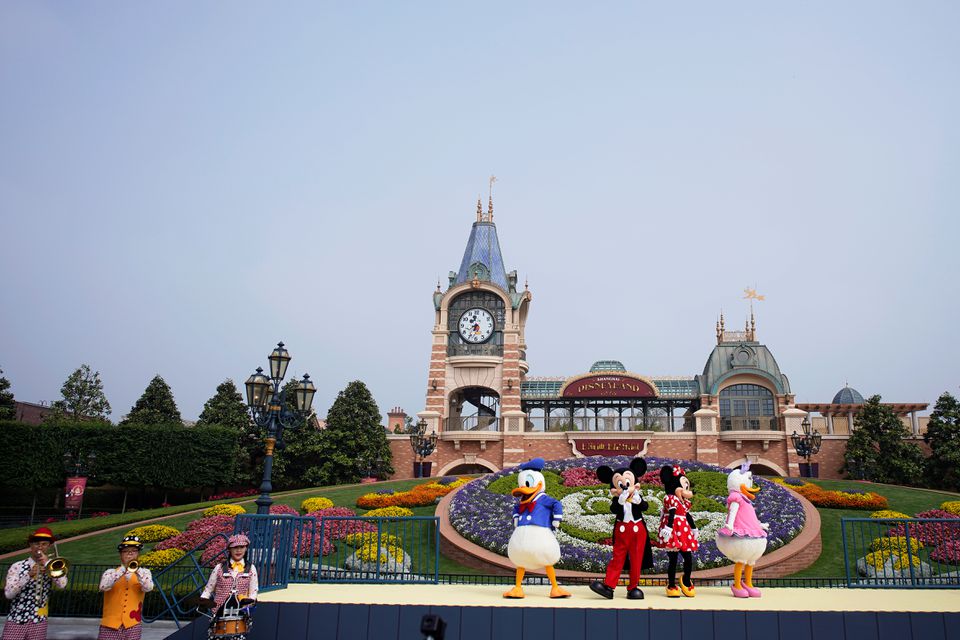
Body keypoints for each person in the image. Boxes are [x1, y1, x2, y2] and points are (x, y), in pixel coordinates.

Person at [2, 527, 67, 640]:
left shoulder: (52, 566)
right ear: (30, 546)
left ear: (48, 546)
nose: (40, 547)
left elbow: (62, 585)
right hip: (16, 618)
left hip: (39, 620)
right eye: (36, 544)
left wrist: (48, 564)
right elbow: (9, 594)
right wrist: (28, 576)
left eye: (44, 544)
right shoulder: (17, 566)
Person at [200, 534, 258, 639]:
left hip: (240, 615)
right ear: (229, 549)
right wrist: (203, 601)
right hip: (218, 615)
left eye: (241, 547)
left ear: (246, 548)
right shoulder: (220, 567)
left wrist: (249, 603)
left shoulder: (251, 568)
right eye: (235, 547)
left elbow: (253, 591)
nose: (238, 550)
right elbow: (208, 589)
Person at [97, 535, 154, 640]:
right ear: (120, 555)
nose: (130, 553)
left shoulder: (145, 573)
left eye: (134, 551)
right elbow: (103, 586)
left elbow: (148, 587)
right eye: (126, 551)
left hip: (132, 625)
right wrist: (124, 568)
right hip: (110, 625)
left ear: (138, 554)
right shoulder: (110, 573)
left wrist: (136, 570)